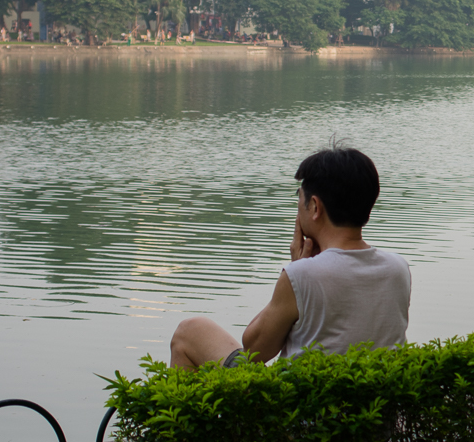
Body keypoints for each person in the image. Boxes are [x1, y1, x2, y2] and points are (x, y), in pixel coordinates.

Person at [169, 146, 411, 369]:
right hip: (374, 410)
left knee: (189, 331)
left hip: (301, 413)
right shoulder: (398, 268)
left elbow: (255, 350)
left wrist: (296, 267)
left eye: (299, 195)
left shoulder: (303, 274)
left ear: (315, 207)